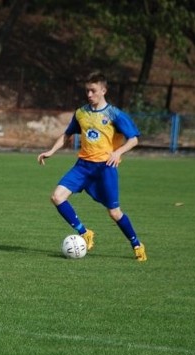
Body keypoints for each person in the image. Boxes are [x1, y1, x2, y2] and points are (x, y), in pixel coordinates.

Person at [37, 71, 147, 261]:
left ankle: (137, 244)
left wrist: (118, 152)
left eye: (93, 91)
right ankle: (85, 232)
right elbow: (67, 135)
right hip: (83, 166)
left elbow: (134, 139)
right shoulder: (81, 113)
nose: (89, 95)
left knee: (114, 212)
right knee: (57, 197)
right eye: (87, 91)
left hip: (105, 168)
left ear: (103, 90)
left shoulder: (114, 114)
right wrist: (51, 151)